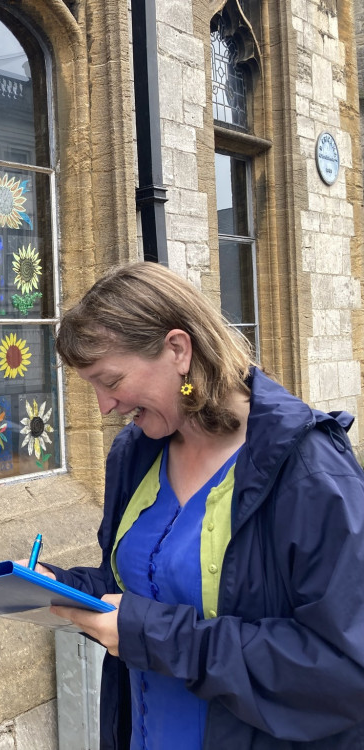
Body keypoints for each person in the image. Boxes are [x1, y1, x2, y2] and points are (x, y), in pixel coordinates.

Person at [38, 262, 364, 749]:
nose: (106, 406)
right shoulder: (135, 456)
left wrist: (157, 636)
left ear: (177, 349)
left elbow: (344, 668)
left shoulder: (308, 467)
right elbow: (146, 585)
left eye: (111, 380)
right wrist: (63, 587)